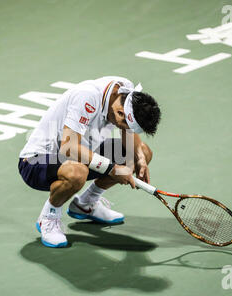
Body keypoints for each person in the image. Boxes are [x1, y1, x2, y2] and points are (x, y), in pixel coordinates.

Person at [18, 76, 161, 247]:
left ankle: (86, 203)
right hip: (37, 161)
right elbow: (68, 147)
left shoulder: (126, 91)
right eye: (124, 125)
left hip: (81, 155)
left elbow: (128, 134)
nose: (125, 130)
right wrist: (113, 169)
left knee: (143, 152)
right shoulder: (87, 97)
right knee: (77, 172)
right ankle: (48, 217)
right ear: (121, 113)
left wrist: (138, 158)